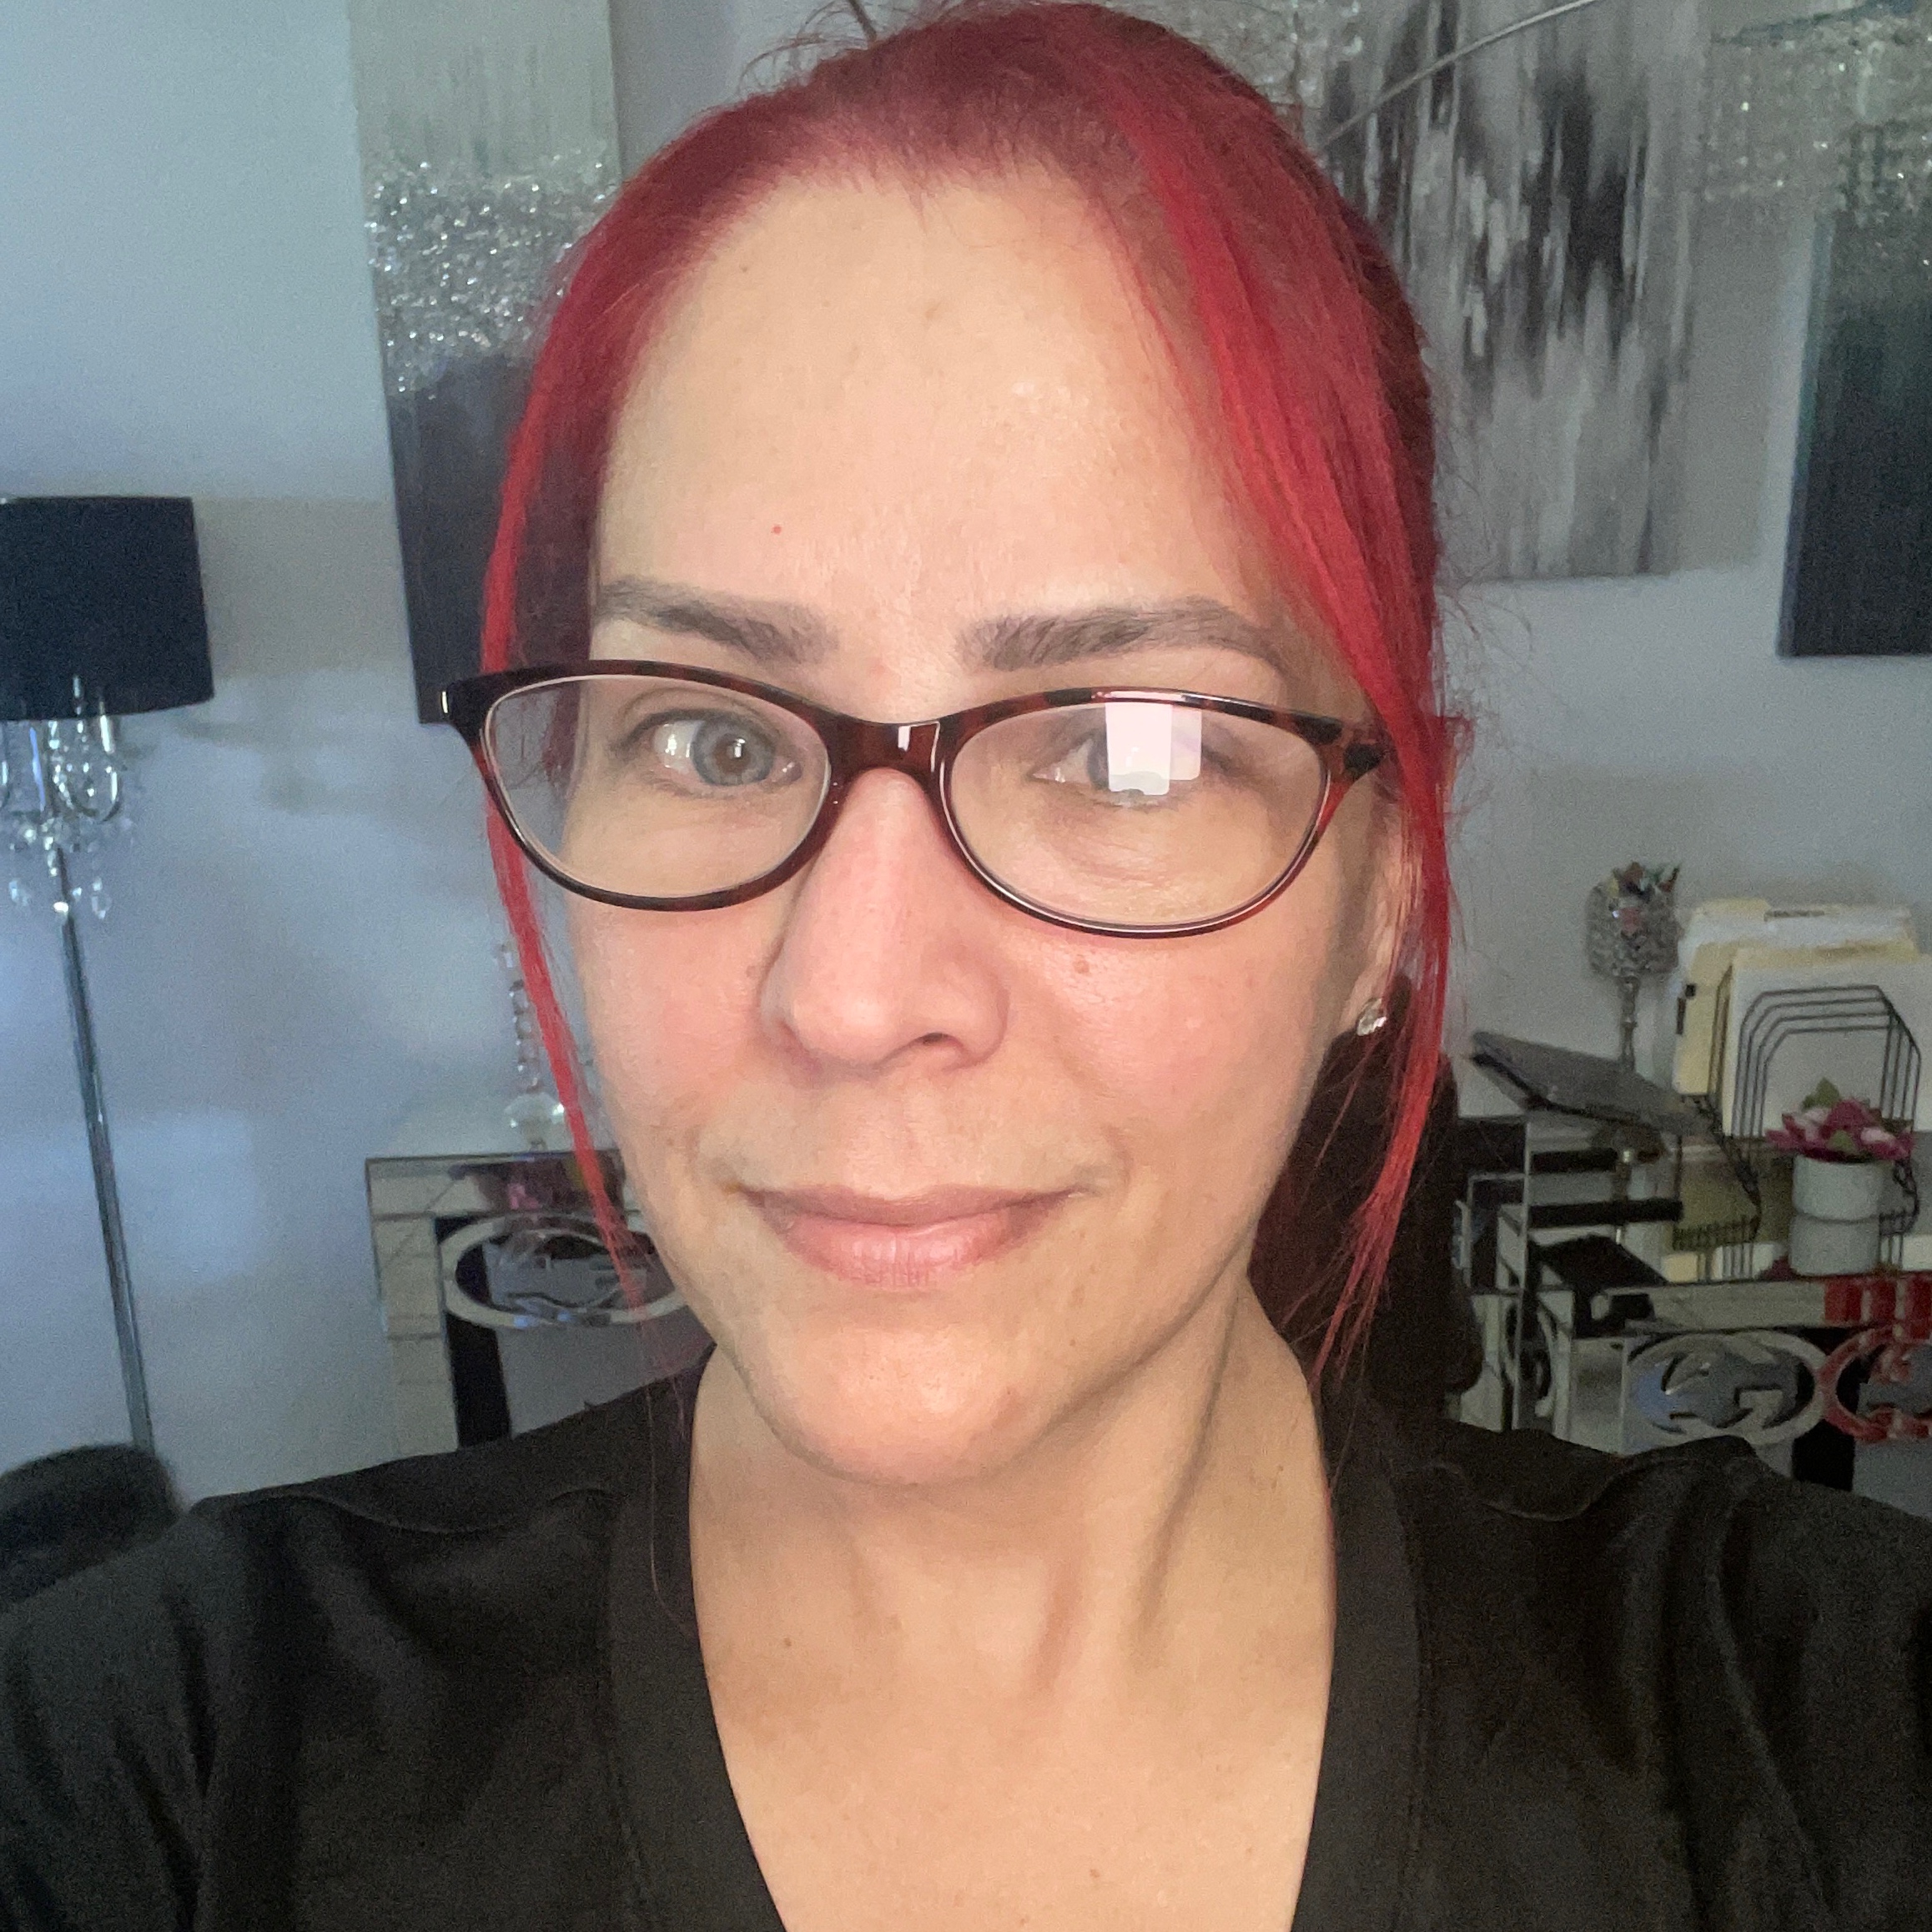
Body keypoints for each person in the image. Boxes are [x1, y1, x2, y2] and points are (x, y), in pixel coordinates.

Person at [3, 5, 1928, 1927]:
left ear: (1382, 895)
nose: (854, 996)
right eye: (713, 736)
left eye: (1123, 751)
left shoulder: (1818, 1742)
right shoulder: (165, 1769)